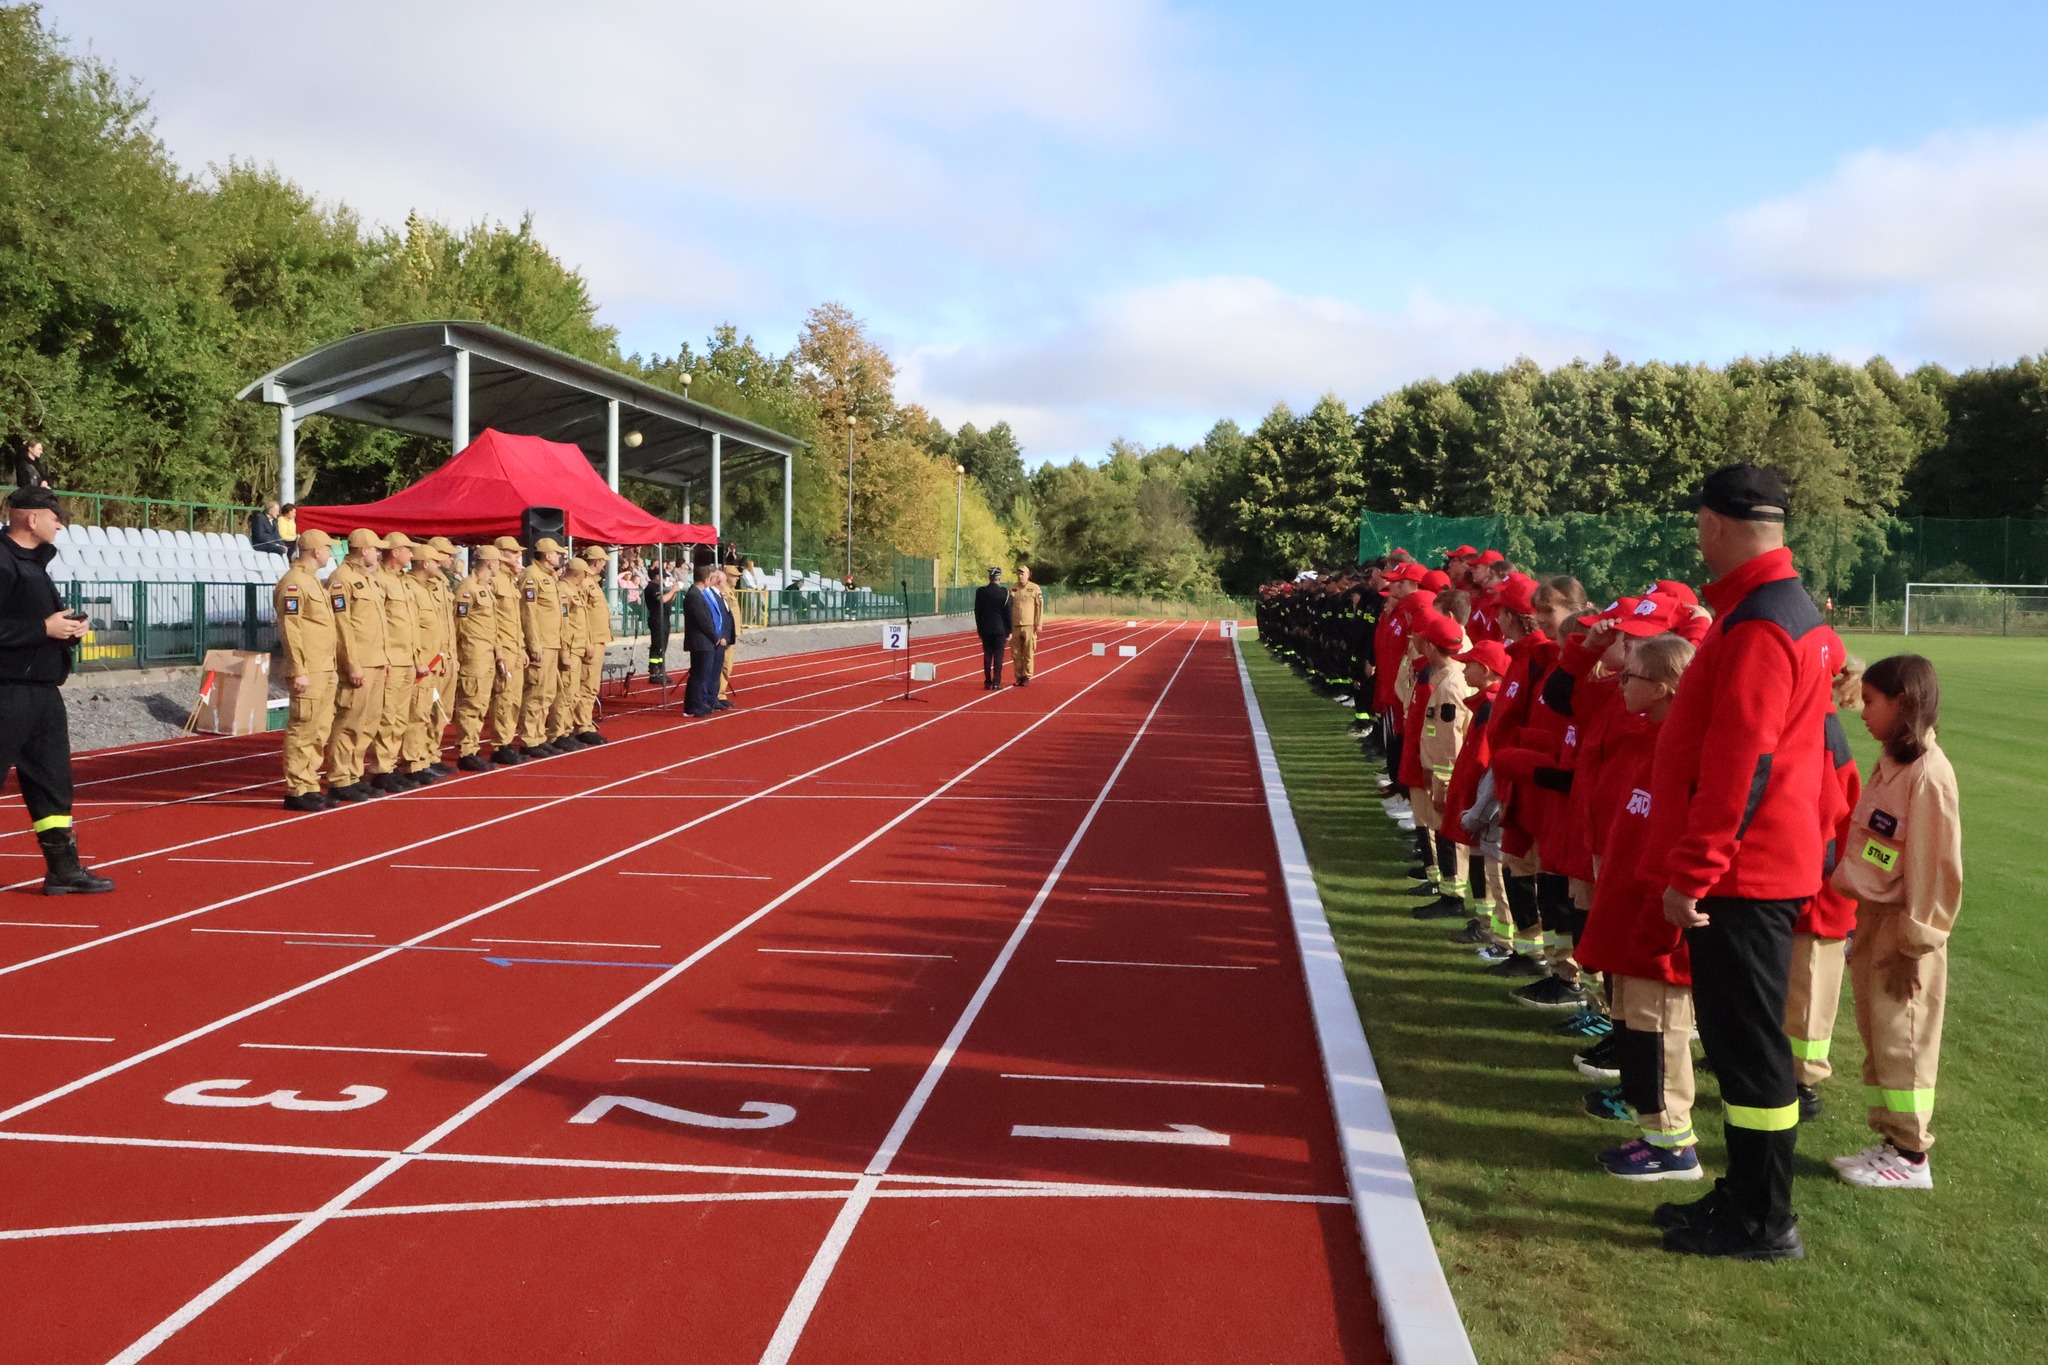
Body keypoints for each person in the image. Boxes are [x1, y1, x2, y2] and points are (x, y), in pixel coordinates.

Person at [1649, 464, 1834, 1262]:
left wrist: (1695, 869)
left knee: (1749, 1053)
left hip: (1745, 874)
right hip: (1765, 865)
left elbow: (1742, 766)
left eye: (1700, 524)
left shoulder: (1759, 622)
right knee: (1742, 1046)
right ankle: (1749, 1198)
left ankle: (1763, 1220)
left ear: (1715, 525)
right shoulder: (1790, 612)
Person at [1831, 654, 1963, 1190]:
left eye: (1871, 702)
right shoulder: (1895, 765)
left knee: (1904, 1039)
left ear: (1903, 703)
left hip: (1903, 931)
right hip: (1874, 921)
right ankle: (1890, 1142)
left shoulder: (1929, 776)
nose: (1862, 712)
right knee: (1880, 1036)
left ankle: (1911, 1156)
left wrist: (1915, 946)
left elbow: (1936, 872)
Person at [1578, 632, 1704, 1181]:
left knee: (1661, 1032)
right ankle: (1653, 1130)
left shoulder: (1682, 750)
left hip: (1659, 925)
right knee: (1635, 1027)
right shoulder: (1651, 738)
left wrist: (1663, 914)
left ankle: (1675, 1144)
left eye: (1630, 677)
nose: (1620, 684)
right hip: (1631, 916)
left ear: (1662, 687)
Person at [0, 487, 112, 893]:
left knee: (52, 782)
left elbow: (35, 623)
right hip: (7, 690)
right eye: (54, 517)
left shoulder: (33, 562)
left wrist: (66, 631)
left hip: (42, 691)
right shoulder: (3, 560)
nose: (60, 524)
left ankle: (63, 869)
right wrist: (41, 629)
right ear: (31, 519)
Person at [273, 529, 341, 812]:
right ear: (316, 551)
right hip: (309, 669)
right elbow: (290, 627)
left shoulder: (312, 581)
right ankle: (298, 787)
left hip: (325, 667)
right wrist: (298, 667)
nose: (331, 553)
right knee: (304, 727)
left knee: (319, 729)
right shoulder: (294, 583)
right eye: (328, 548)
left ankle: (310, 782)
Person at [324, 530, 391, 803]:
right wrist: (351, 662)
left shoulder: (369, 580)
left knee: (368, 723)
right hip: (359, 662)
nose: (379, 554)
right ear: (364, 550)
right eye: (376, 549)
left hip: (376, 660)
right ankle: (340, 778)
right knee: (349, 721)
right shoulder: (342, 580)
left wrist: (384, 658)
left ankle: (354, 774)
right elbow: (342, 626)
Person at [370, 532, 426, 792]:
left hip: (407, 659)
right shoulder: (379, 581)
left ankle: (391, 764)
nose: (411, 555)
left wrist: (417, 657)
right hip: (391, 658)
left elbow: (412, 624)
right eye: (407, 550)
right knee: (387, 716)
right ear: (394, 552)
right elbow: (379, 624)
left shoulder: (403, 582)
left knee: (401, 717)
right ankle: (382, 768)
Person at [401, 538, 454, 782]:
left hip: (439, 658)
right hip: (423, 660)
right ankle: (414, 761)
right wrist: (418, 658)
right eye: (437, 557)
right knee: (417, 713)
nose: (445, 561)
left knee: (436, 712)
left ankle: (427, 755)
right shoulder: (410, 587)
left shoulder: (434, 585)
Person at [451, 544, 503, 772]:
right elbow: (458, 624)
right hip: (473, 654)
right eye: (498, 562)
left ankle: (472, 747)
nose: (500, 566)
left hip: (487, 653)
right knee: (471, 703)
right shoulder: (467, 588)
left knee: (481, 703)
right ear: (490, 563)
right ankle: (467, 750)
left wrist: (498, 649)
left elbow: (491, 624)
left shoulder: (485, 588)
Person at [517, 537, 567, 757]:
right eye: (556, 553)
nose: (559, 556)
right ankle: (529, 738)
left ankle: (539, 734)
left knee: (547, 692)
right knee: (536, 691)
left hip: (552, 642)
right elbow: (528, 613)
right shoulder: (531, 576)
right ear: (547, 555)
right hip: (542, 644)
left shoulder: (549, 578)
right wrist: (533, 642)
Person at [489, 537, 528, 763]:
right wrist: (499, 649)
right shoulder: (494, 582)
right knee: (503, 697)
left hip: (514, 646)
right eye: (513, 553)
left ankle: (507, 739)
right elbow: (492, 620)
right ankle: (500, 744)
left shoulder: (510, 582)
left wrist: (521, 645)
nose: (518, 557)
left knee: (513, 698)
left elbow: (515, 619)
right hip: (503, 647)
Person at [571, 545, 612, 744]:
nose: (604, 565)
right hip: (591, 640)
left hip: (598, 638)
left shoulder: (592, 582)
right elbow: (582, 615)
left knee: (591, 685)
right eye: (603, 561)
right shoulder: (585, 583)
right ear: (597, 562)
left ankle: (584, 722)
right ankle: (582, 725)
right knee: (586, 684)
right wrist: (586, 640)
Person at [681, 563, 733, 718]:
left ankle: (698, 703)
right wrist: (715, 637)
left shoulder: (697, 593)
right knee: (699, 675)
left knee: (703, 674)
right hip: (700, 642)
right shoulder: (694, 595)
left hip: (705, 641)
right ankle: (694, 705)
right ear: (707, 579)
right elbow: (703, 620)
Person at [548, 557, 589, 746]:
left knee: (572, 693)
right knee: (565, 693)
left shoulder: (575, 590)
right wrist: (564, 651)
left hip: (578, 647)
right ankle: (558, 732)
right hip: (570, 647)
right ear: (578, 573)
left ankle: (566, 729)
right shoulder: (564, 590)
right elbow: (564, 623)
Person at [644, 558, 680, 685]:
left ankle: (660, 669)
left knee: (663, 646)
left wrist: (674, 591)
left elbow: (668, 600)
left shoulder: (657, 587)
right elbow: (661, 599)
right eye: (663, 577)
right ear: (657, 576)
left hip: (664, 618)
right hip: (657, 619)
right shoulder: (651, 587)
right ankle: (654, 672)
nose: (665, 579)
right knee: (657, 646)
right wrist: (672, 591)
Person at [974, 567, 1011, 689]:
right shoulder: (1004, 592)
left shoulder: (981, 592)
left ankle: (987, 681)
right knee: (999, 655)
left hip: (986, 628)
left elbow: (977, 612)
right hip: (1000, 629)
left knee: (987, 654)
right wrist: (1009, 630)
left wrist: (979, 628)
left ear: (989, 577)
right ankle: (996, 682)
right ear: (999, 578)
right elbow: (1008, 613)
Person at [1010, 563, 1044, 686]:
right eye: (1018, 573)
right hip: (1015, 625)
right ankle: (1018, 676)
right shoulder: (1013, 588)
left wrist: (1038, 623)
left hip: (1029, 625)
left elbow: (1039, 606)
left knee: (1028, 652)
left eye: (1022, 574)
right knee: (1016, 653)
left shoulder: (1035, 588)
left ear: (1028, 575)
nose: (1020, 576)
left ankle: (1027, 676)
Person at [717, 561, 743, 704]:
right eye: (734, 576)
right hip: (726, 634)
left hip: (732, 634)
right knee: (725, 665)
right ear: (726, 576)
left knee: (727, 665)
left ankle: (721, 693)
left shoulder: (730, 590)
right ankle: (719, 694)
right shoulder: (724, 591)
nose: (737, 578)